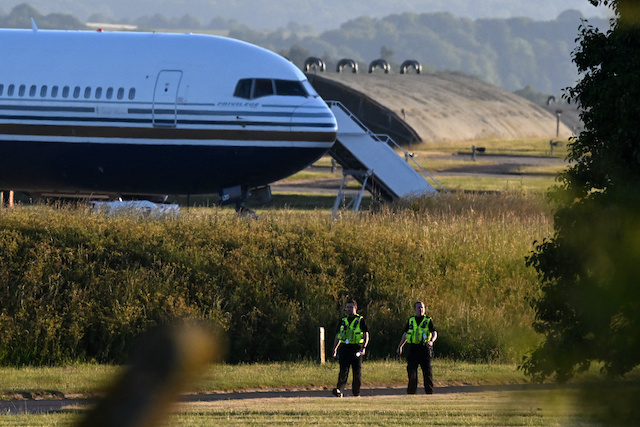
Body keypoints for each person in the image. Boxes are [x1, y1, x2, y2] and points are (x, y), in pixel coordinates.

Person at [397, 301, 438, 394]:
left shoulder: (428, 320)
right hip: (413, 348)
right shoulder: (411, 320)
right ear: (415, 309)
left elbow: (434, 332)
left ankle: (429, 392)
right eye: (418, 308)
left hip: (424, 348)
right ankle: (411, 392)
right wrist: (400, 346)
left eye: (422, 308)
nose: (420, 310)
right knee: (411, 371)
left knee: (427, 372)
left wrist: (431, 341)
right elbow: (405, 334)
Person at [331, 299, 369, 397]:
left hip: (356, 347)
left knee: (357, 372)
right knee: (343, 370)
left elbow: (366, 335)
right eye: (347, 307)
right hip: (344, 347)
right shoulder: (343, 320)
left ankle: (356, 393)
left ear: (355, 308)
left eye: (351, 307)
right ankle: (339, 390)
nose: (349, 309)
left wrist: (364, 347)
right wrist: (335, 348)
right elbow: (338, 335)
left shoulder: (360, 320)